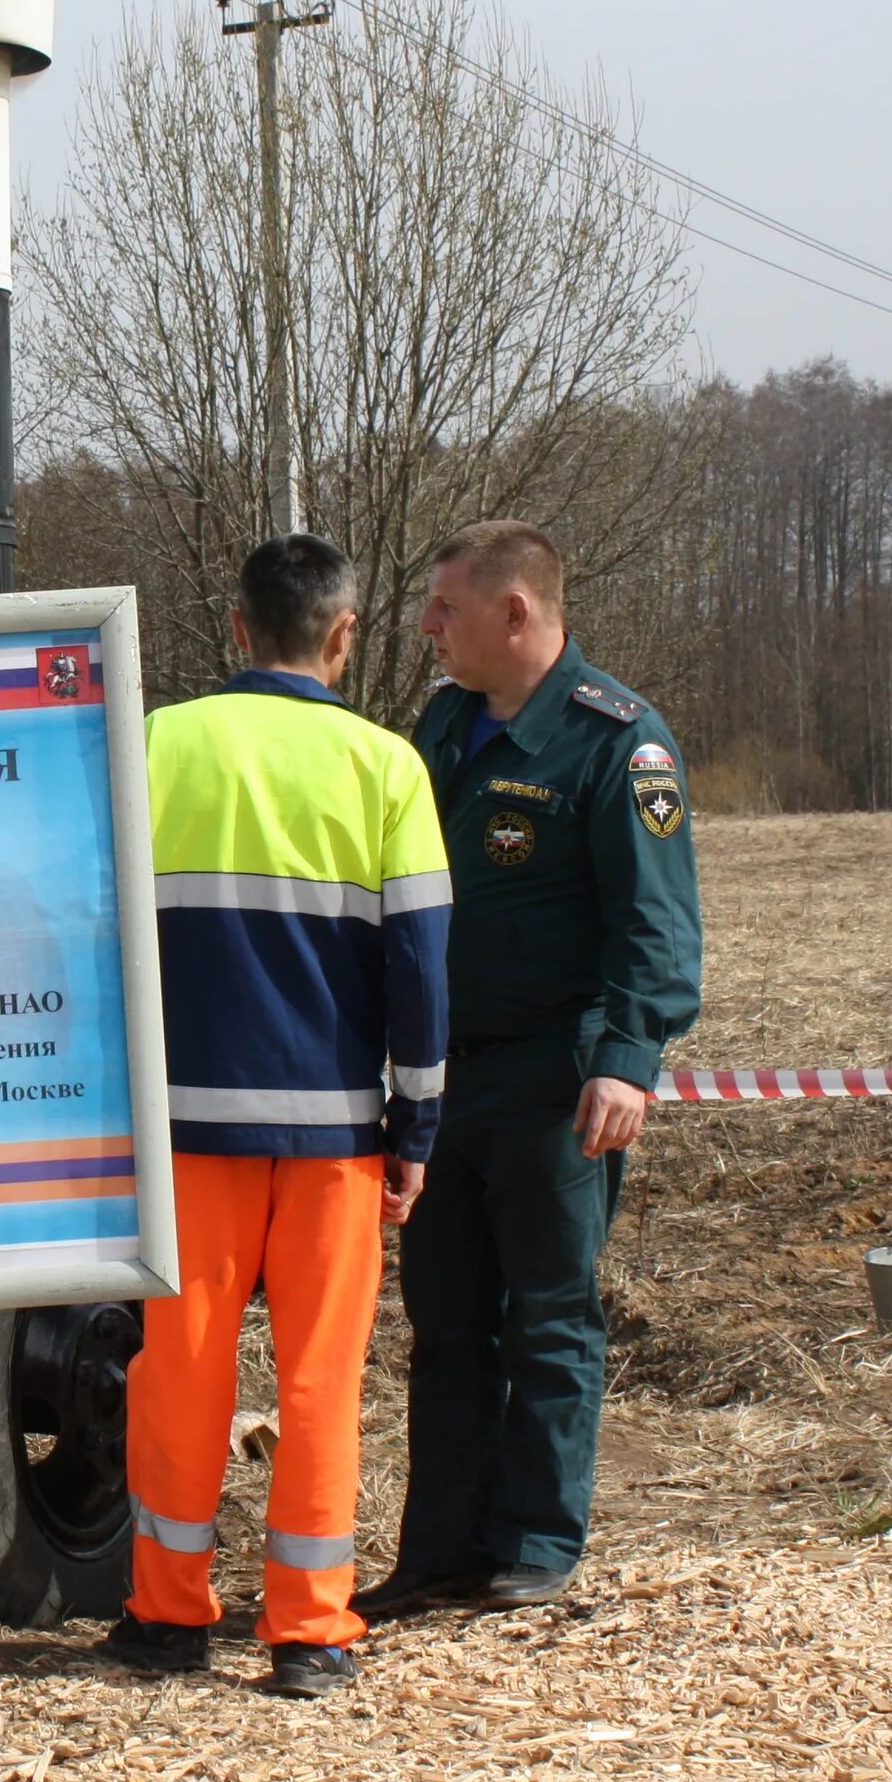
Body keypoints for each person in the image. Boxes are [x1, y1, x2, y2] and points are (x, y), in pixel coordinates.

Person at [104, 533, 451, 1699]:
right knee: (319, 1378)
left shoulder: (152, 744)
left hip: (181, 1128)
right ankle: (308, 1629)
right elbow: (421, 965)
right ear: (344, 634)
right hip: (333, 1135)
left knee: (180, 1367)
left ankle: (165, 1613)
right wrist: (415, 1128)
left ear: (240, 627)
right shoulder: (387, 766)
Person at [356, 519, 702, 1620]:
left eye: (446, 607)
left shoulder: (619, 742)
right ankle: (444, 1547)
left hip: (557, 1076)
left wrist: (629, 1057)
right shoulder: (449, 722)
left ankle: (538, 1543)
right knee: (448, 1320)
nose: (427, 626)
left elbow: (653, 921)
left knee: (549, 1314)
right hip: (446, 1078)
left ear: (516, 613)